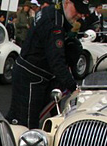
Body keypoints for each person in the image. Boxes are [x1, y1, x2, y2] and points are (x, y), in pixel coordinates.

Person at [6, 0, 86, 128]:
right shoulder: (54, 23)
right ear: (67, 3)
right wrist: (73, 87)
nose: (79, 15)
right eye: (78, 10)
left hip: (36, 72)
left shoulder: (51, 11)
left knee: (21, 116)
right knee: (26, 124)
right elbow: (56, 60)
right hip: (31, 75)